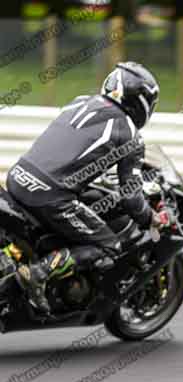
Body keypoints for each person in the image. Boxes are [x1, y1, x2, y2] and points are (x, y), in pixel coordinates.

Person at [6, 62, 169, 314]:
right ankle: (38, 273)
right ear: (141, 102)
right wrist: (151, 218)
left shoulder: (79, 101)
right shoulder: (130, 135)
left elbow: (69, 149)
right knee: (108, 245)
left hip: (17, 178)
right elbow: (131, 197)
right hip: (50, 197)